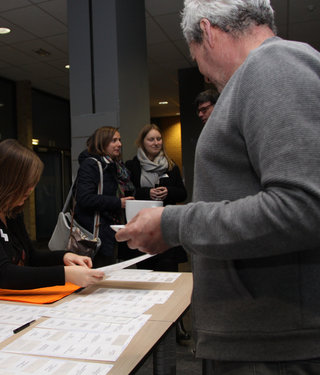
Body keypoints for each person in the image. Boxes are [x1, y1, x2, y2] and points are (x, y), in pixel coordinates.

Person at [117, 0, 320, 373]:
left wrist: (172, 225)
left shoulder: (274, 65)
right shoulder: (260, 75)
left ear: (207, 32)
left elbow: (303, 206)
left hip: (274, 350)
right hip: (258, 340)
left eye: (196, 57)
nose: (205, 74)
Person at [0, 139, 104, 306]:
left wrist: (64, 257)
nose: (30, 189)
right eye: (26, 184)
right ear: (7, 181)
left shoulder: (10, 210)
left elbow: (30, 257)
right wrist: (65, 274)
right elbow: (2, 274)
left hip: (1, 301)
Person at [124, 123, 189, 342]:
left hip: (167, 230)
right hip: (143, 231)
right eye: (151, 139)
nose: (156, 143)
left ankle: (176, 325)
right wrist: (147, 192)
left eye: (159, 139)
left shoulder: (171, 165)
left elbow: (182, 193)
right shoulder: (132, 166)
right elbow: (128, 191)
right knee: (147, 280)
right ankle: (150, 327)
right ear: (142, 142)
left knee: (168, 279)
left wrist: (167, 191)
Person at [74, 127, 134, 267]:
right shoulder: (91, 164)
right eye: (114, 140)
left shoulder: (115, 167)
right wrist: (118, 202)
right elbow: (84, 198)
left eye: (119, 140)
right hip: (93, 234)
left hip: (108, 232)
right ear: (102, 143)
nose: (119, 144)